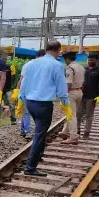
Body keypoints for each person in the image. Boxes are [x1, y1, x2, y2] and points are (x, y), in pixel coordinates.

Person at [19, 41, 71, 177]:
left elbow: (24, 83)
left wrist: (21, 98)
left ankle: (38, 155)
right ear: (58, 50)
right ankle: (30, 168)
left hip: (30, 102)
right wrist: (65, 103)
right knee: (39, 135)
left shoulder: (32, 64)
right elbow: (61, 86)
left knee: (39, 131)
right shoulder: (57, 65)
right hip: (43, 105)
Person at [12, 49, 46, 138]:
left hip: (25, 91)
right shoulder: (38, 66)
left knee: (26, 111)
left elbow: (21, 78)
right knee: (29, 111)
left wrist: (17, 90)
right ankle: (27, 131)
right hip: (31, 91)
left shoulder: (27, 65)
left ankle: (23, 130)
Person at [58, 51, 85, 144]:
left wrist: (63, 94)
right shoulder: (81, 67)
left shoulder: (70, 68)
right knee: (72, 113)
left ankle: (73, 136)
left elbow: (68, 83)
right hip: (79, 92)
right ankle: (65, 132)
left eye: (65, 59)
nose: (65, 61)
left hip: (71, 93)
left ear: (68, 59)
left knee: (71, 115)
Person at [78, 52, 99, 139]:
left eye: (92, 60)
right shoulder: (84, 69)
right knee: (78, 113)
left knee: (88, 115)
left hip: (92, 96)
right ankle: (77, 130)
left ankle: (86, 132)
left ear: (97, 60)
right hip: (82, 95)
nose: (90, 61)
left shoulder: (98, 70)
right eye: (89, 60)